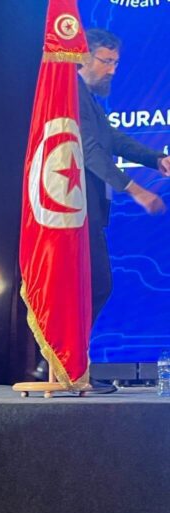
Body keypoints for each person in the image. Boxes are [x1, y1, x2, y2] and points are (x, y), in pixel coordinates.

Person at [78, 28, 170, 390]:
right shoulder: (70, 96)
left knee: (95, 286)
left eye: (116, 62)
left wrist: (156, 159)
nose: (113, 70)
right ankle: (66, 365)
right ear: (84, 57)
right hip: (74, 211)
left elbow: (112, 139)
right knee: (94, 285)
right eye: (107, 61)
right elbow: (90, 150)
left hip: (88, 210)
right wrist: (136, 190)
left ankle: (70, 366)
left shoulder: (87, 98)